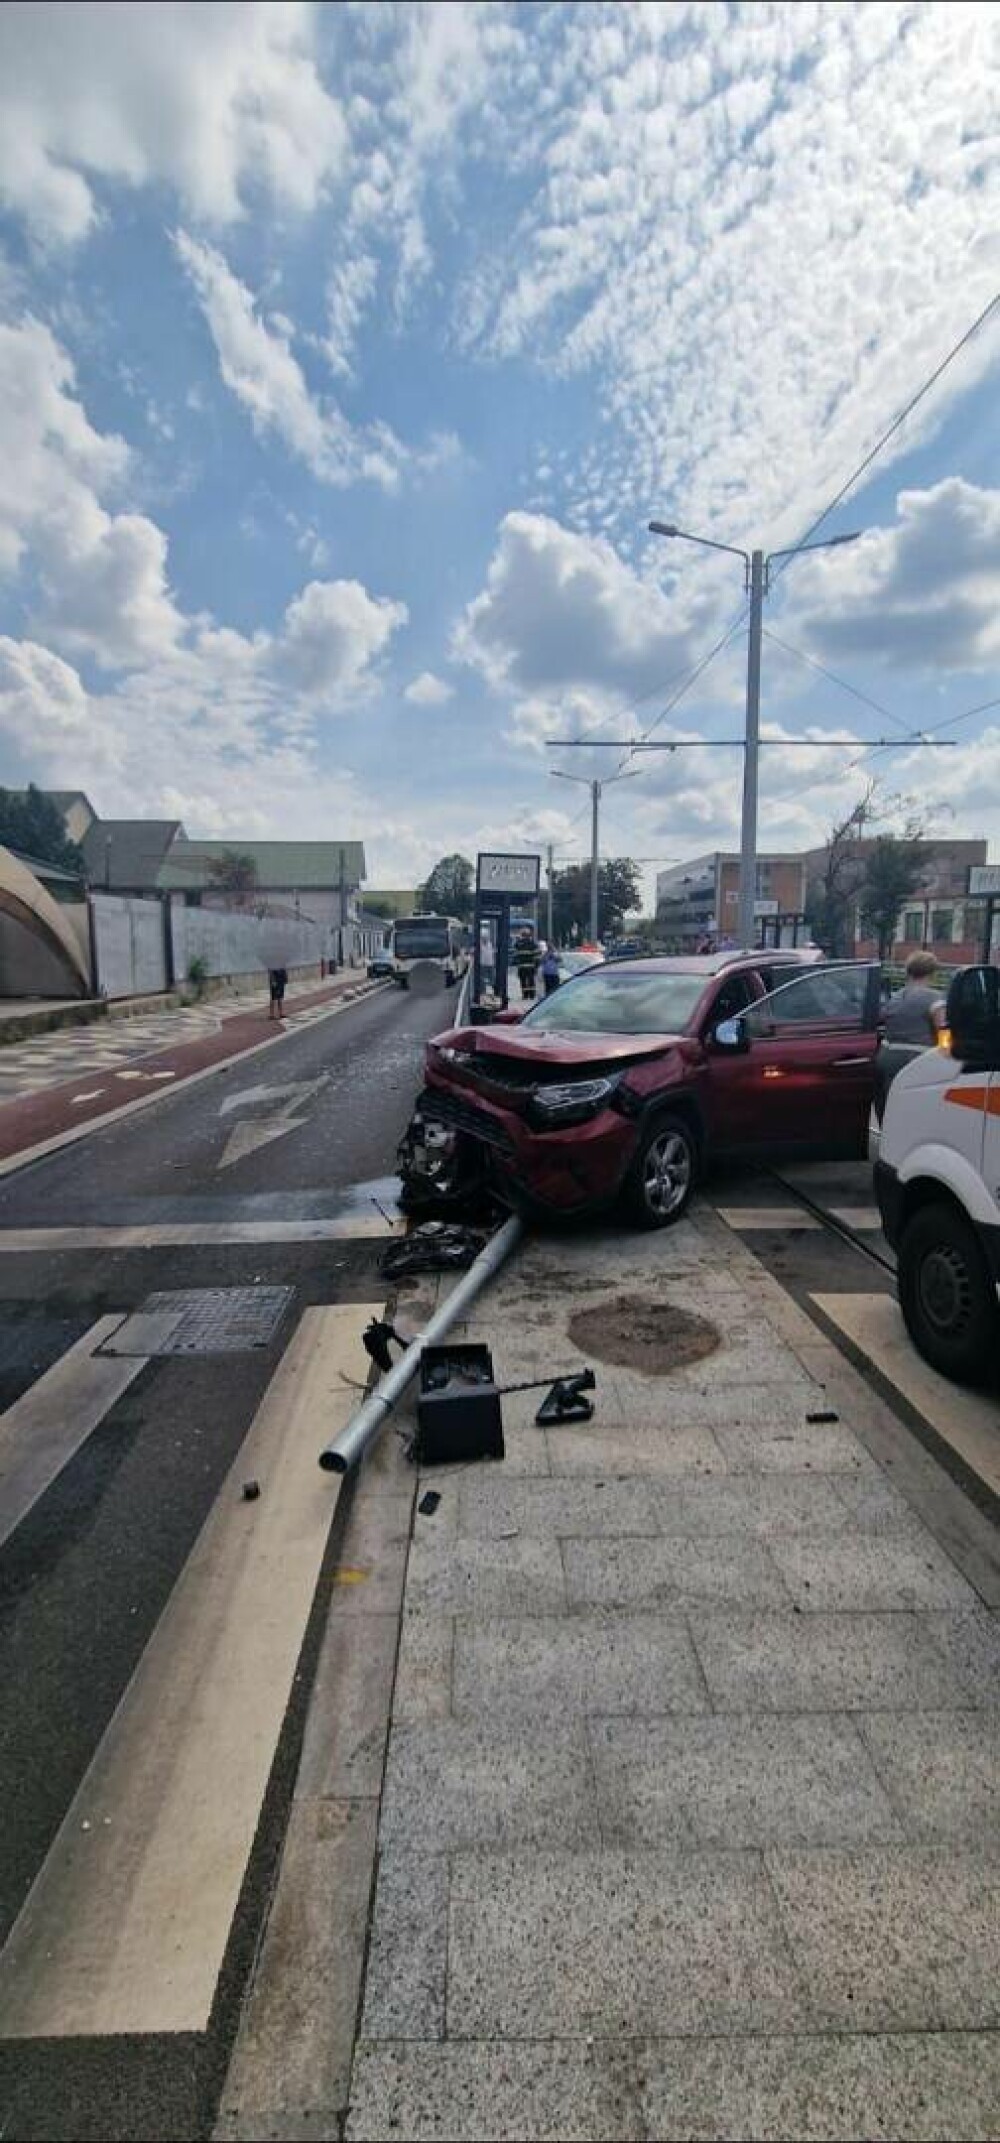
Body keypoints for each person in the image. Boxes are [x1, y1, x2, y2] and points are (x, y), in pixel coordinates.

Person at [874, 949, 945, 1122]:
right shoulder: (934, 997)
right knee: (916, 1110)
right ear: (932, 973)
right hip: (915, 1059)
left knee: (890, 1105)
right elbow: (943, 1027)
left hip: (886, 1057)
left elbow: (882, 1021)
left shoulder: (896, 997)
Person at [515, 929, 538, 1001]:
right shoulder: (533, 944)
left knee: (523, 981)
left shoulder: (518, 944)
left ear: (522, 935)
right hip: (531, 966)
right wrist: (536, 966)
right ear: (529, 936)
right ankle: (531, 995)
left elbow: (515, 955)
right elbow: (537, 956)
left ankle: (525, 995)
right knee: (531, 981)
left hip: (521, 967)